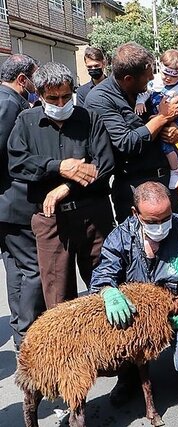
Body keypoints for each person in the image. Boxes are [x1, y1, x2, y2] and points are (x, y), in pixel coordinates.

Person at [90, 181, 178, 401]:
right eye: (152, 221)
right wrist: (107, 292)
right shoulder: (120, 238)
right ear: (135, 213)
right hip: (137, 317)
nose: (161, 226)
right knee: (103, 340)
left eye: (166, 218)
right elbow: (103, 274)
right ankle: (128, 376)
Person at [8, 62, 115, 309]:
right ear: (40, 94)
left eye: (66, 97)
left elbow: (105, 164)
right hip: (51, 221)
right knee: (58, 298)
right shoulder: (26, 121)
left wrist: (66, 187)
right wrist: (59, 166)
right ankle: (68, 347)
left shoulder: (89, 119)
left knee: (105, 290)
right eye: (53, 98)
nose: (60, 104)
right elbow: (17, 163)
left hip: (93, 217)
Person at [84, 42, 178, 222]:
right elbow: (127, 143)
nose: (152, 78)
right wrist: (162, 118)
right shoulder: (100, 98)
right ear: (129, 79)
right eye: (147, 78)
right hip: (133, 186)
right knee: (138, 247)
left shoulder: (147, 90)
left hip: (166, 182)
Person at [0, 53, 43, 349]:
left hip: (8, 203)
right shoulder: (8, 103)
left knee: (16, 266)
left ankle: (22, 330)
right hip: (13, 202)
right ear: (22, 79)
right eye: (34, 77)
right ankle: (28, 331)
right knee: (32, 268)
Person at [141, 49, 178, 189]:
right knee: (168, 143)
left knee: (166, 145)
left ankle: (175, 170)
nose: (168, 78)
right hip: (161, 115)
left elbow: (171, 110)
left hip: (174, 118)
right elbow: (146, 92)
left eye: (173, 76)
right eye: (165, 74)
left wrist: (158, 117)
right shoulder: (155, 80)